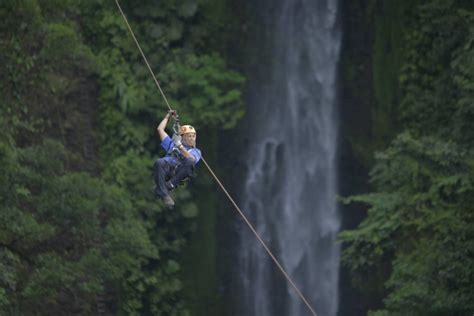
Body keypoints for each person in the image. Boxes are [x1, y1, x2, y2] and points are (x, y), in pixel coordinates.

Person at [153, 110, 201, 206]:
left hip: (178, 172)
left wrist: (180, 146)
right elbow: (160, 129)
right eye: (189, 136)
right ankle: (163, 193)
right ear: (182, 137)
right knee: (159, 162)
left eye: (193, 136)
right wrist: (167, 118)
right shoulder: (172, 144)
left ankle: (169, 185)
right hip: (167, 168)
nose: (192, 138)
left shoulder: (196, 151)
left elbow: (192, 159)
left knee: (190, 161)